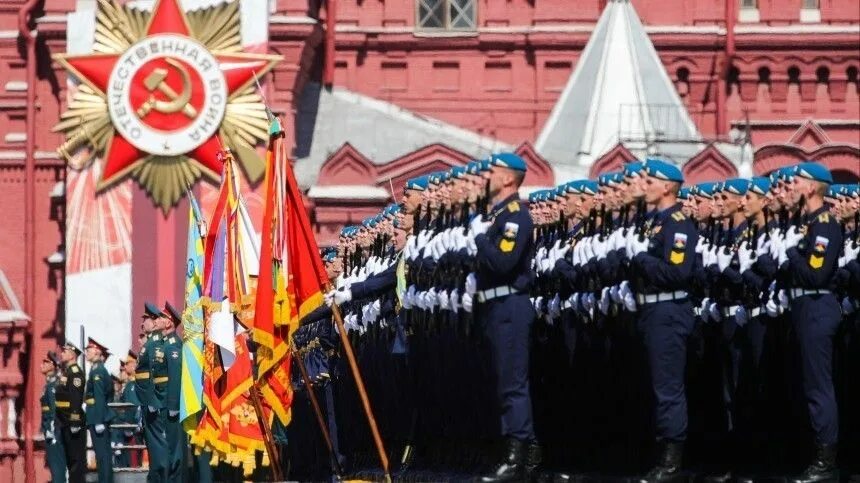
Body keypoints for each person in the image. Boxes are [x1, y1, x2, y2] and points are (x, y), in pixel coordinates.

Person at [627, 159, 698, 482]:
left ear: (668, 186)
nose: (645, 186)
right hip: (652, 311)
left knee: (668, 387)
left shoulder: (677, 224)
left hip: (669, 312)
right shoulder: (655, 222)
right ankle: (660, 454)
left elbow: (678, 272)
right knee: (656, 386)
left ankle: (672, 461)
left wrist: (641, 259)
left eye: (650, 180)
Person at [470, 153, 538, 482]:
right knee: (502, 383)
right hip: (495, 307)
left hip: (510, 307)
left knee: (513, 384)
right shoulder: (496, 216)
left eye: (493, 172)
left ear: (509, 179)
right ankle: (516, 452)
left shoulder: (515, 218)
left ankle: (518, 456)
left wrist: (481, 238)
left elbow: (502, 263)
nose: (488, 177)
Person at [780, 163, 843, 483]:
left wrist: (790, 253)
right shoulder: (806, 224)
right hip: (803, 306)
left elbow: (816, 272)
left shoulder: (826, 224)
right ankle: (810, 452)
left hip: (818, 305)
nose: (790, 187)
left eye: (796, 182)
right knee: (806, 384)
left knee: (819, 386)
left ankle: (825, 460)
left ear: (813, 187)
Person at [136, 302, 168, 481]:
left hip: (152, 402)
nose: (143, 324)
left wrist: (151, 401)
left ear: (155, 321)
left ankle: (160, 476)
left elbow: (154, 375)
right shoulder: (150, 344)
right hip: (146, 401)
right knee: (152, 443)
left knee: (156, 444)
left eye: (146, 319)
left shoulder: (154, 344)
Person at [85, 337, 115, 482]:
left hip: (98, 416)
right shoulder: (95, 369)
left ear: (96, 351)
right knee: (101, 454)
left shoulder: (98, 371)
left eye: (89, 349)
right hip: (96, 414)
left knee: (103, 455)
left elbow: (99, 397)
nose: (86, 353)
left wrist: (99, 420)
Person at [55, 341, 86, 483]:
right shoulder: (67, 372)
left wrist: (74, 420)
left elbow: (75, 398)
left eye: (65, 351)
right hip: (63, 420)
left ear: (73, 355)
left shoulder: (75, 373)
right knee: (69, 458)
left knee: (76, 460)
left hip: (71, 421)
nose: (62, 354)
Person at [161, 301, 185, 482]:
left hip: (171, 406)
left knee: (174, 449)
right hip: (163, 405)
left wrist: (173, 405)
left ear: (169, 322)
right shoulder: (165, 345)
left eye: (161, 318)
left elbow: (175, 378)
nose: (157, 321)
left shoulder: (173, 346)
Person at [41, 350, 67, 483]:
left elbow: (53, 407)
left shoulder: (53, 385)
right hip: (49, 428)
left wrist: (51, 425)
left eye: (46, 362)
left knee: (57, 464)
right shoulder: (49, 384)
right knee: (54, 463)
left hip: (54, 429)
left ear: (53, 365)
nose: (42, 365)